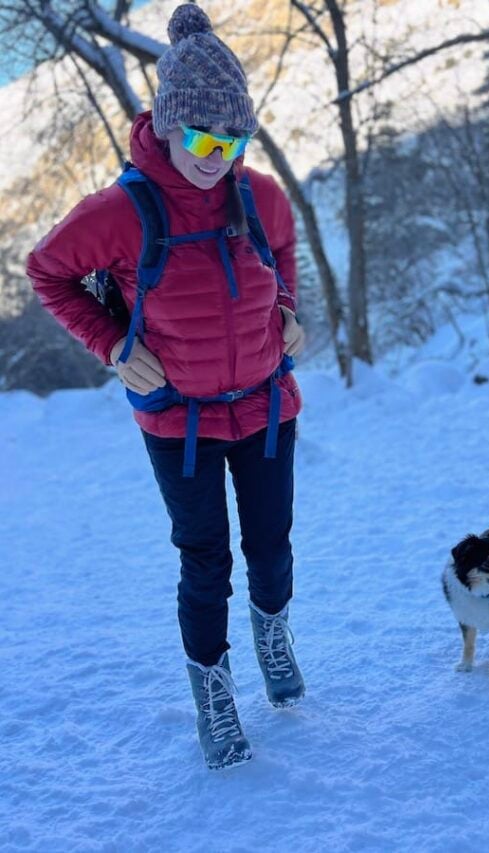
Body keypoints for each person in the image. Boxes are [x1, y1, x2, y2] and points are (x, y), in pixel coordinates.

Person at [26, 2, 306, 771]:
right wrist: (112, 343)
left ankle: (273, 631)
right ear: (168, 123)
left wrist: (288, 310)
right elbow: (46, 271)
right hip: (177, 420)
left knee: (272, 545)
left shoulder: (261, 198)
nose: (219, 155)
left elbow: (283, 253)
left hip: (267, 405)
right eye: (203, 138)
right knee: (205, 556)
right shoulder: (121, 211)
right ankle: (215, 690)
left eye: (234, 138)